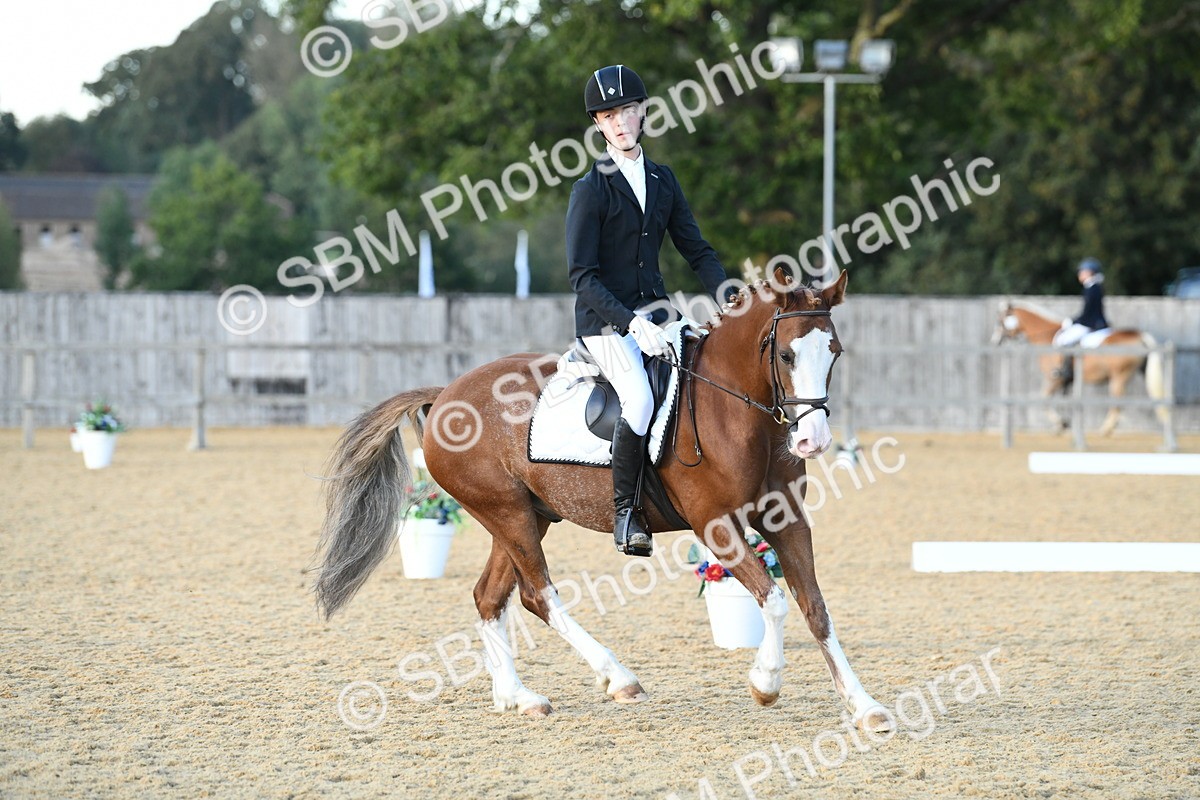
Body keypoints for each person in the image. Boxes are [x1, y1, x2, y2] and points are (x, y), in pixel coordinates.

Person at [566, 64, 737, 557]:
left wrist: (732, 300)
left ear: (642, 113)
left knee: (707, 377)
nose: (619, 122)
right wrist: (630, 323)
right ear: (599, 125)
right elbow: (582, 277)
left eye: (626, 111)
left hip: (658, 313)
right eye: (608, 115)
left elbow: (697, 249)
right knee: (639, 400)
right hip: (605, 323)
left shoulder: (663, 179)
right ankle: (626, 511)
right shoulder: (590, 189)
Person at [1052, 257, 1109, 382]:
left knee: (1062, 340)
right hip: (1092, 322)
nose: (1080, 274)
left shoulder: (1092, 288)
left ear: (1090, 272)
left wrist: (1074, 321)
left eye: (1082, 271)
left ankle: (1065, 370)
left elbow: (1088, 312)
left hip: (1091, 323)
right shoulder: (1094, 287)